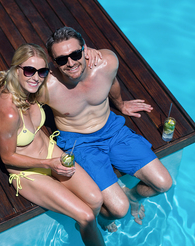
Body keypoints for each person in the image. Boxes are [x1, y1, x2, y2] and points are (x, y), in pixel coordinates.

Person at [41, 26, 172, 231]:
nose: (71, 62)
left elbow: (112, 83)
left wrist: (121, 105)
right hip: (79, 142)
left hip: (112, 130)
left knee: (163, 183)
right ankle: (102, 219)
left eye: (75, 54)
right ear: (52, 62)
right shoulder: (46, 86)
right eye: (61, 59)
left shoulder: (106, 62)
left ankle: (133, 195)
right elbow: (19, 95)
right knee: (119, 210)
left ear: (85, 49)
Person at [0, 44, 105, 246]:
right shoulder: (8, 111)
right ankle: (87, 227)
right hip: (27, 172)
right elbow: (7, 157)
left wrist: (86, 50)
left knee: (96, 201)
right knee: (87, 216)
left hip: (49, 152)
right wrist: (49, 164)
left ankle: (84, 229)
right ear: (16, 69)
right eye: (29, 70)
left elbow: (66, 61)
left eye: (42, 71)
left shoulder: (31, 87)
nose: (36, 77)